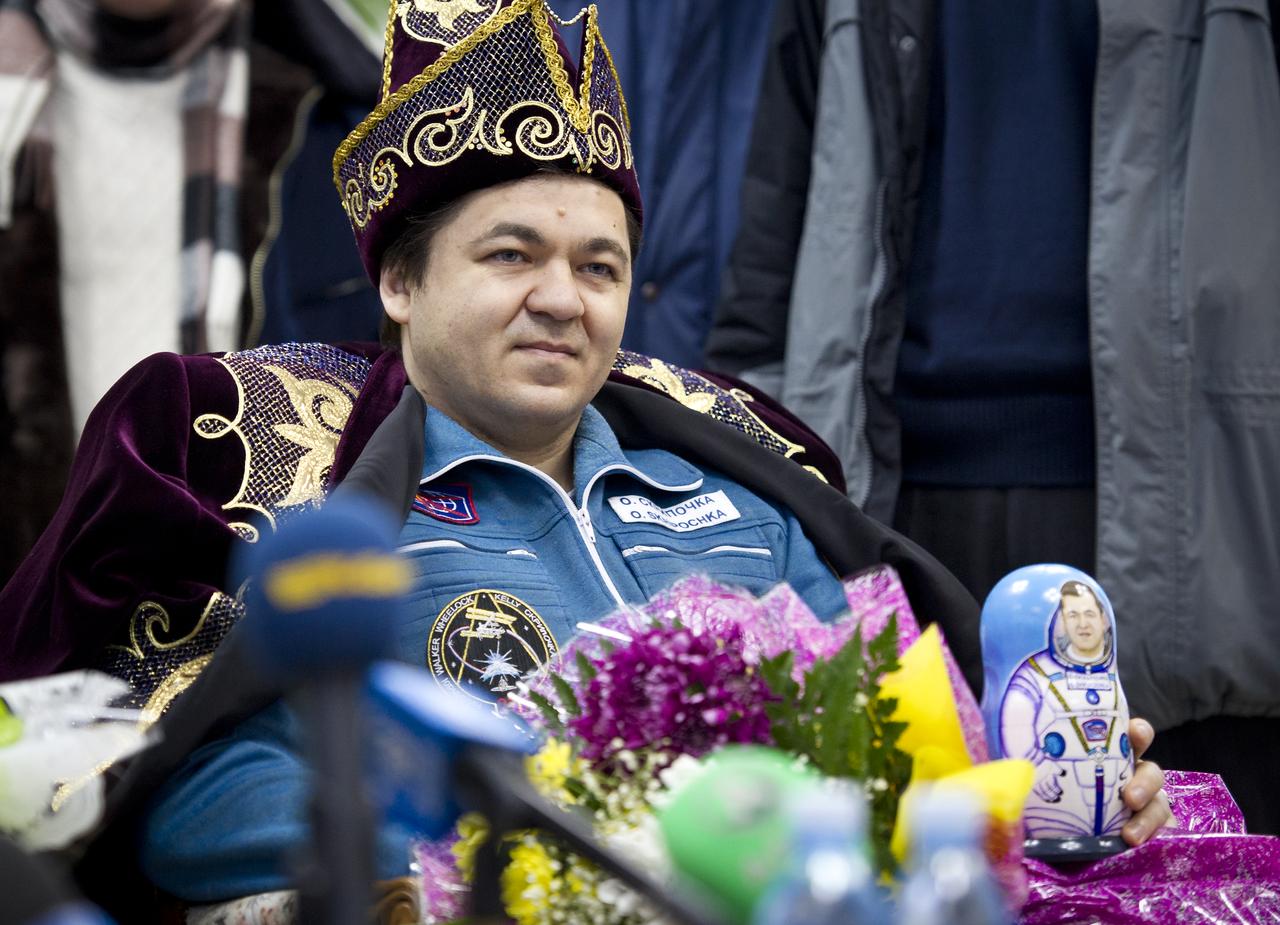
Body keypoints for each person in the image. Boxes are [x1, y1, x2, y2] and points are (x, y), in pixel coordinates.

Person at [0, 1, 1169, 918]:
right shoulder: (279, 476)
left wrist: (1049, 780)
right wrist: (516, 852)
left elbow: (893, 726)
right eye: (510, 253)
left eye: (600, 267)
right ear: (398, 283)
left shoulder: (734, 490)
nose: (562, 298)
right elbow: (185, 785)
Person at [705, 0, 1280, 833]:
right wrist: (753, 468)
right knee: (921, 865)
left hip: (1197, 504)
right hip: (891, 500)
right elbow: (771, 240)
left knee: (1199, 862)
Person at [999, 580, 1132, 839]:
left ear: (1104, 620)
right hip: (1050, 808)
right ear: (1061, 622)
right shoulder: (1037, 673)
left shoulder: (1111, 673)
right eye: (1073, 615)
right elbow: (1015, 720)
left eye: (1090, 614)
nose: (1083, 623)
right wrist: (1036, 768)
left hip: (1117, 812)